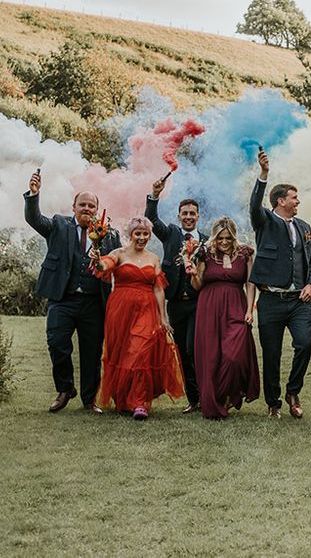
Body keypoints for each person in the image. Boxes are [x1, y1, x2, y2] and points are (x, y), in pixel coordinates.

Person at [23, 170, 121, 414]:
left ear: (97, 209)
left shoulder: (110, 235)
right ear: (74, 206)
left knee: (91, 352)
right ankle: (65, 389)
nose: (86, 209)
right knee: (57, 343)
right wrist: (34, 195)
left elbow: (118, 263)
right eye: (82, 204)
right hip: (62, 299)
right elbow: (35, 219)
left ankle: (89, 400)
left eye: (91, 205)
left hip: (94, 302)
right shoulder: (59, 224)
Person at [91, 217, 184, 420]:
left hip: (147, 309)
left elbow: (159, 289)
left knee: (140, 351)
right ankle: (124, 399)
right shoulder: (119, 253)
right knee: (121, 352)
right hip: (121, 310)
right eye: (138, 233)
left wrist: (163, 317)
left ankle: (140, 402)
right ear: (131, 234)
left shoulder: (153, 258)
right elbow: (103, 267)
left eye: (145, 234)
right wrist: (98, 261)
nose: (142, 237)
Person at [249, 149, 311, 419]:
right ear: (281, 201)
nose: (298, 201)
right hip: (270, 300)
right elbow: (255, 205)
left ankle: (293, 391)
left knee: (304, 344)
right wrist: (264, 175)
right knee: (272, 353)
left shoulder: (304, 225)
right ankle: (274, 402)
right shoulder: (264, 221)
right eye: (294, 197)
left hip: (299, 301)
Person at [145, 179, 208, 414]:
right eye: (185, 213)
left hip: (198, 303)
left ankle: (206, 394)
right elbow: (151, 219)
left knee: (194, 349)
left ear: (198, 216)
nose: (189, 216)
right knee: (181, 351)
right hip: (175, 304)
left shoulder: (206, 240)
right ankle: (194, 399)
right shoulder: (170, 234)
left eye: (193, 213)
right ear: (179, 215)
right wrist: (154, 194)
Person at [190, 217, 260, 420]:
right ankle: (214, 400)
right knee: (211, 356)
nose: (224, 242)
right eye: (220, 238)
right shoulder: (206, 253)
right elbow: (198, 285)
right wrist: (194, 274)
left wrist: (249, 310)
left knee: (234, 356)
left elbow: (250, 284)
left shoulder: (245, 253)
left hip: (236, 306)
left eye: (228, 238)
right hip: (209, 307)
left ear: (234, 236)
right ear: (215, 236)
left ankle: (231, 394)